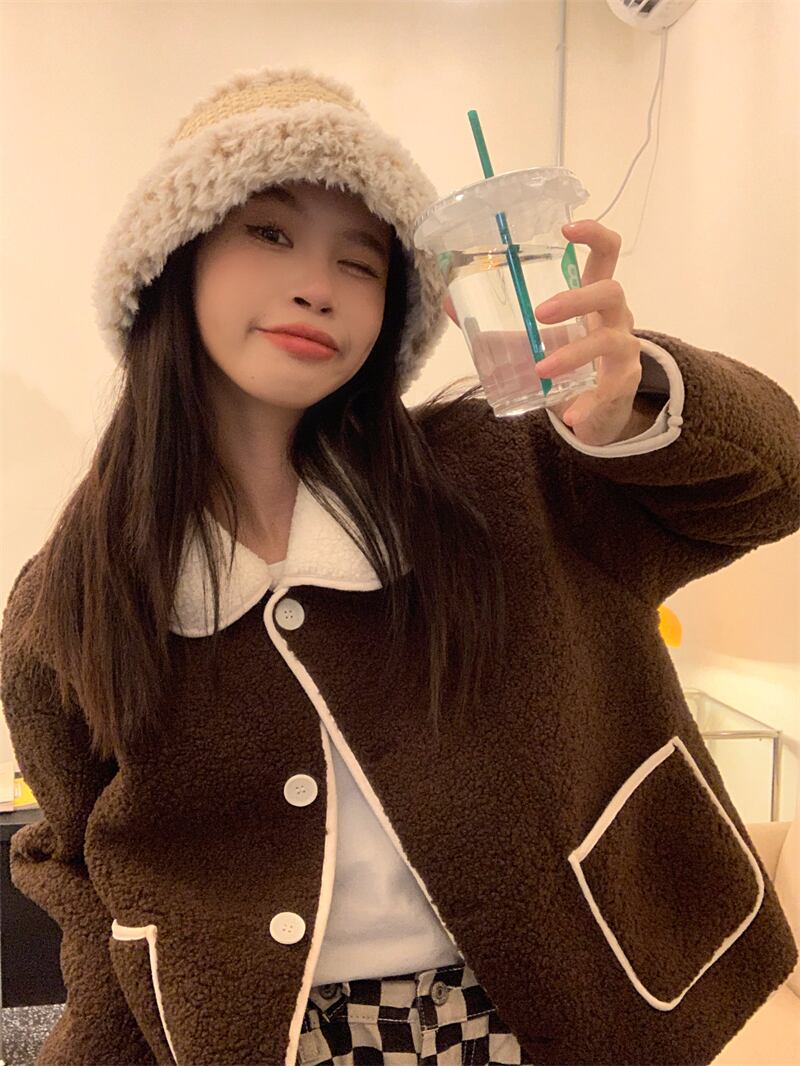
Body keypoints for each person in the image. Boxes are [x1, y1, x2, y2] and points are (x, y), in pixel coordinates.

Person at [1, 65, 798, 1066]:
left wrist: (634, 396)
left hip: (561, 1016)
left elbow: (773, 483)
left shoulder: (504, 474)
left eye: (361, 260)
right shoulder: (71, 595)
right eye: (270, 233)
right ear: (173, 259)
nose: (317, 286)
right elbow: (75, 865)